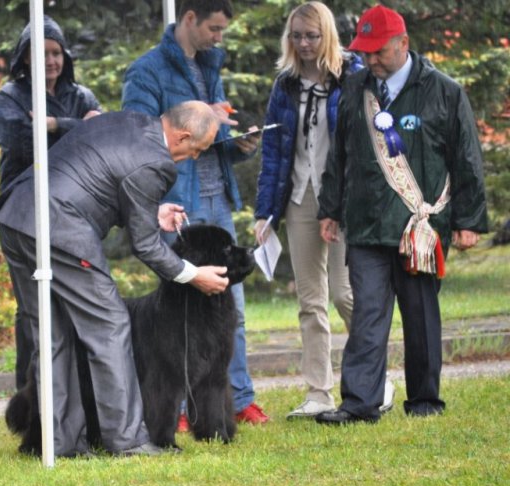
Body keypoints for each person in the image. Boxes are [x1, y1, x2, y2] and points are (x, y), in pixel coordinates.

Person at [0, 101, 228, 457]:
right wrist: (193, 275)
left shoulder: (128, 121)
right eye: (197, 150)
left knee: (55, 333)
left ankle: (60, 443)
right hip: (59, 226)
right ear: (183, 135)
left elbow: (100, 176)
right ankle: (128, 441)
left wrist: (150, 210)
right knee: (111, 324)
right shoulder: (157, 162)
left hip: (19, 216)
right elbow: (146, 246)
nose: (193, 158)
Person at [315, 5, 488, 425]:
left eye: (380, 51)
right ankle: (359, 404)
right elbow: (340, 155)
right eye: (366, 51)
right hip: (366, 224)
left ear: (403, 43)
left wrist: (469, 219)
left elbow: (466, 157)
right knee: (368, 315)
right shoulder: (355, 88)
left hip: (419, 227)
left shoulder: (444, 91)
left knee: (420, 314)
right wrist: (330, 209)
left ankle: (425, 400)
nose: (372, 60)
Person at [122, 0, 269, 425]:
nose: (219, 37)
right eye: (215, 28)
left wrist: (239, 144)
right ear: (189, 19)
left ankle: (236, 400)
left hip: (216, 197)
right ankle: (178, 406)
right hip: (177, 203)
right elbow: (140, 136)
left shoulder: (210, 68)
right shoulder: (146, 71)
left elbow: (211, 136)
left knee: (227, 306)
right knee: (181, 306)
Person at [254, 2, 395, 419]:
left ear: (327, 35)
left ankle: (376, 377)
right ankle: (319, 391)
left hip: (343, 201)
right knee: (310, 301)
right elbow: (274, 153)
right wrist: (265, 212)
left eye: (312, 36)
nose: (304, 43)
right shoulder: (285, 85)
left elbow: (371, 139)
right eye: (296, 35)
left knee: (344, 292)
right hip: (300, 197)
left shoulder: (353, 77)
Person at [0, 15, 101, 389]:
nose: (51, 61)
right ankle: (31, 394)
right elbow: (22, 145)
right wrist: (76, 126)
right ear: (25, 58)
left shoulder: (81, 95)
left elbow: (99, 142)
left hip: (72, 210)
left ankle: (74, 389)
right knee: (33, 309)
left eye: (57, 53)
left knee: (73, 303)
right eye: (42, 54)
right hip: (24, 211)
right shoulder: (10, 97)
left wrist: (54, 125)